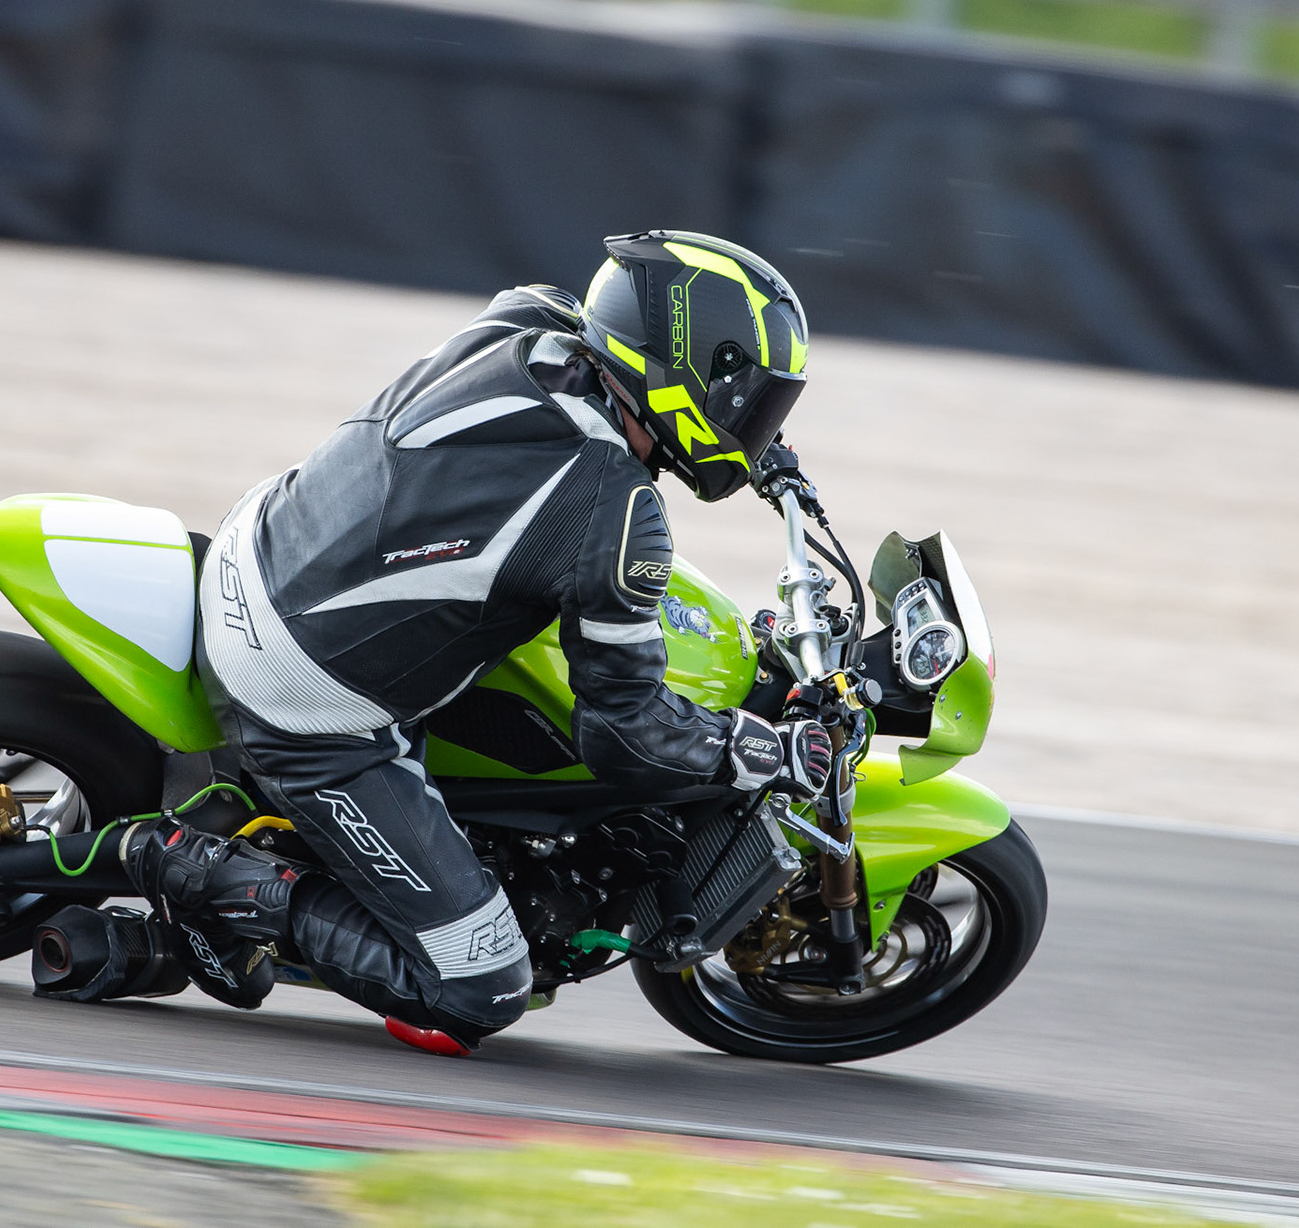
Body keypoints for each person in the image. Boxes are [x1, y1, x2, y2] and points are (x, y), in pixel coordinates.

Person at [112, 231, 834, 1055]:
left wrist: (766, 460)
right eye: (751, 404)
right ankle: (186, 866)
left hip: (263, 546)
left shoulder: (530, 320)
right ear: (689, 375)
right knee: (480, 987)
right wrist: (755, 748)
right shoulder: (615, 511)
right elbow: (626, 734)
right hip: (302, 694)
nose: (756, 427)